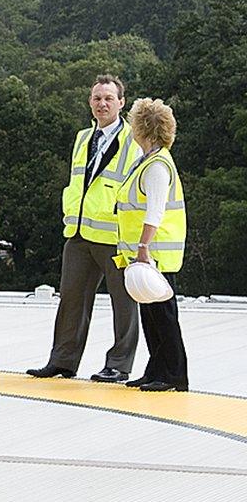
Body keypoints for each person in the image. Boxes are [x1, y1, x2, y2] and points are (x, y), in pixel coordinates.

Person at [29, 75, 143, 382]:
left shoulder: (135, 139)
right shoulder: (82, 138)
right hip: (79, 233)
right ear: (90, 103)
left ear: (122, 103)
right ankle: (62, 361)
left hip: (115, 235)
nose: (102, 103)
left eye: (108, 98)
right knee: (71, 299)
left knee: (124, 302)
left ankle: (119, 364)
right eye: (97, 98)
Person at [118, 99, 189, 392]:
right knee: (151, 315)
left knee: (164, 315)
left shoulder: (157, 166)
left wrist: (143, 247)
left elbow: (155, 211)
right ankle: (156, 368)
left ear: (142, 128)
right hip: (147, 252)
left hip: (156, 252)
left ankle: (174, 374)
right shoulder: (147, 160)